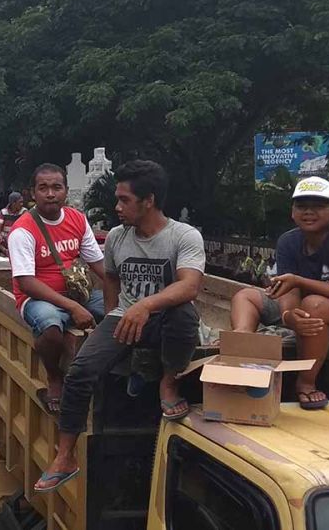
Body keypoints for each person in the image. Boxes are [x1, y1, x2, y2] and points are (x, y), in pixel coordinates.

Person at [35, 160, 204, 493]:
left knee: (184, 313)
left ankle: (168, 385)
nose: (117, 207)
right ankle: (65, 455)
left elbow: (189, 286)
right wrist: (113, 317)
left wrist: (145, 305)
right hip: (124, 318)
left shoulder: (183, 236)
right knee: (81, 372)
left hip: (164, 320)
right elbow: (110, 276)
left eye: (125, 199)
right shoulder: (116, 237)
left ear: (149, 200)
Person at [229, 176, 329, 410]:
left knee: (314, 306)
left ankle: (306, 383)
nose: (309, 212)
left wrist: (300, 282)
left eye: (318, 206)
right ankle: (241, 349)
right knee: (245, 296)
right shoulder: (289, 241)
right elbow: (287, 289)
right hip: (308, 309)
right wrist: (287, 316)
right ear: (292, 212)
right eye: (302, 206)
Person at [8, 164, 107, 416]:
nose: (50, 193)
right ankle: (54, 375)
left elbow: (97, 263)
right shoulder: (23, 230)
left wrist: (125, 298)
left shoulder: (77, 219)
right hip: (37, 298)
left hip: (77, 293)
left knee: (115, 316)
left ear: (65, 191)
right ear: (33, 193)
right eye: (43, 188)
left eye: (56, 187)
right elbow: (26, 282)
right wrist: (72, 307)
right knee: (51, 328)